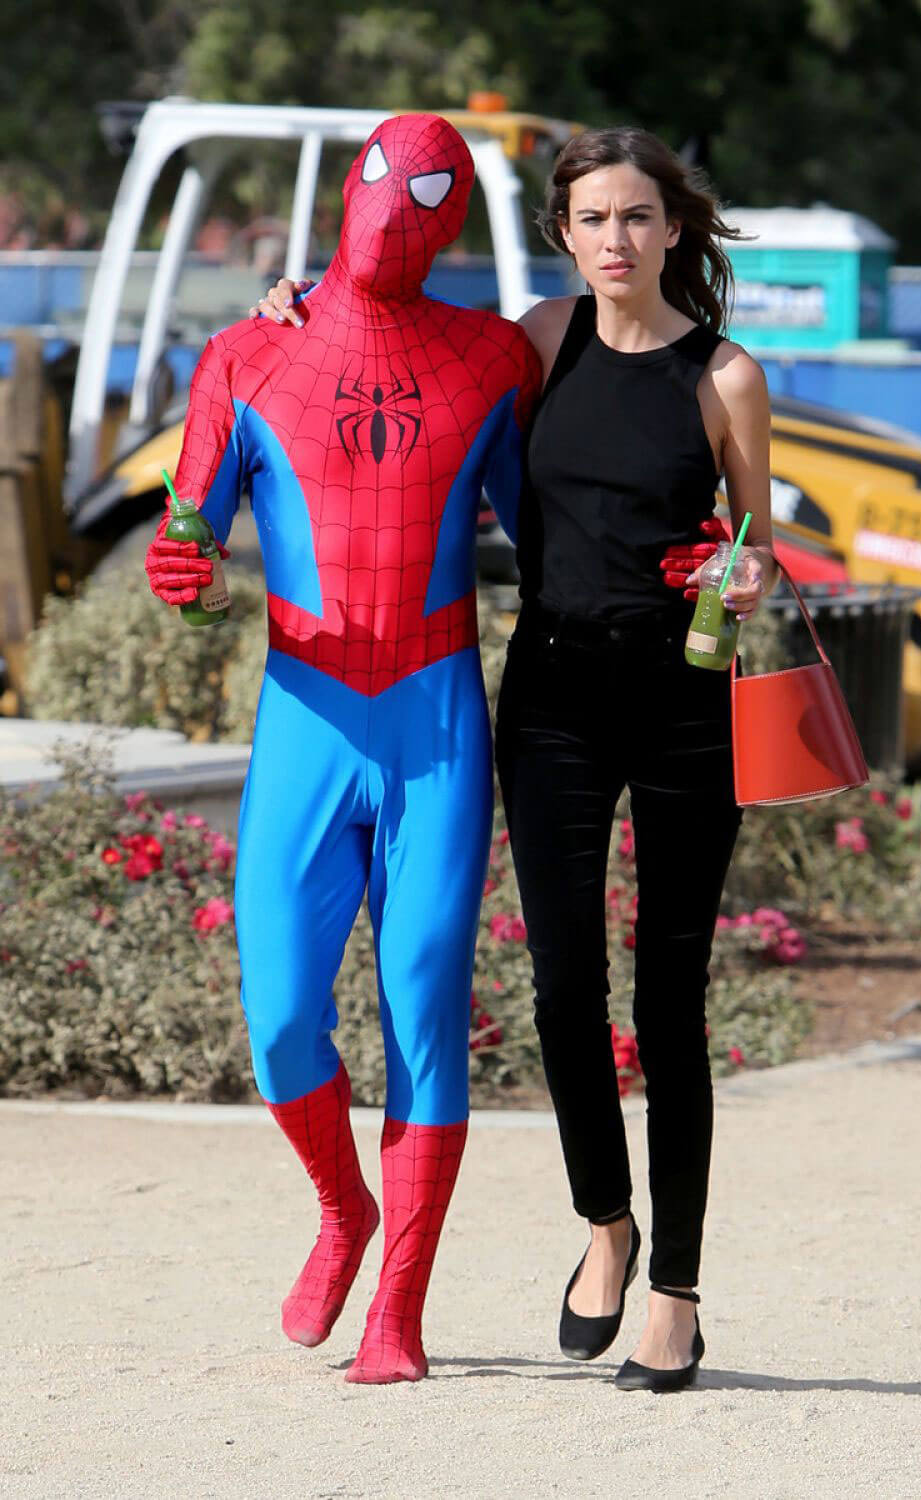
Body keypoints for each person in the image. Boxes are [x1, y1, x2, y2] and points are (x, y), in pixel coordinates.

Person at [257, 124, 775, 1393]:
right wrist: (301, 296)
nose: (616, 240)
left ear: (674, 229)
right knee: (559, 989)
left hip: (680, 701)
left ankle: (675, 1292)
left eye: (638, 218)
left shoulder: (727, 377)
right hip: (544, 697)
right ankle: (606, 1228)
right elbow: (397, 329)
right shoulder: (534, 345)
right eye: (593, 219)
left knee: (669, 1003)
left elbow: (756, 540)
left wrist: (746, 569)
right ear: (564, 233)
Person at [144, 114, 540, 1385]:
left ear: (457, 217)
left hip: (435, 716)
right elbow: (191, 536)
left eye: (433, 189)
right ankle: (342, 1209)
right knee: (278, 1024)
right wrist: (185, 573)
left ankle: (401, 1310)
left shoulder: (491, 360)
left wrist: (681, 568)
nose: (399, 204)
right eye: (389, 176)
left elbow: (559, 533)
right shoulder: (245, 358)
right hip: (305, 716)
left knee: (424, 999)